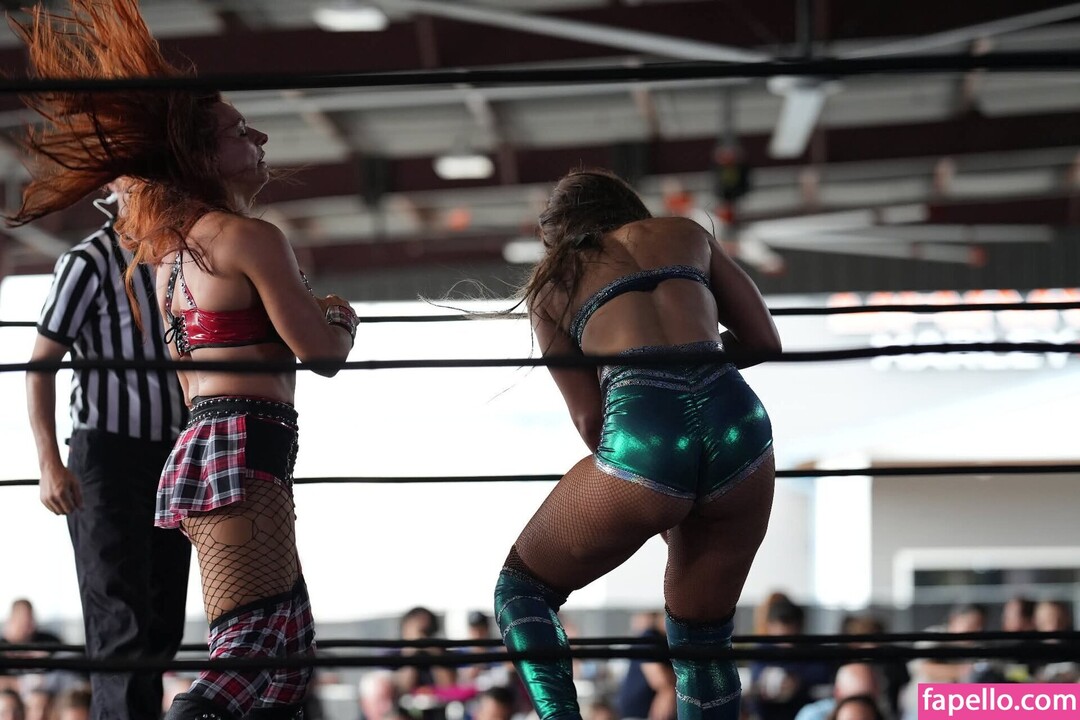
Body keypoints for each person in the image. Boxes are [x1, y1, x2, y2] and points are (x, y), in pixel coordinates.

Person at [6, 2, 360, 719]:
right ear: (200, 155)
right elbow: (320, 354)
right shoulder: (245, 238)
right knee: (246, 655)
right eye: (238, 131)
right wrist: (341, 318)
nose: (259, 138)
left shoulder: (166, 257)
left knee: (286, 652)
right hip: (234, 445)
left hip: (205, 446)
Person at [493, 168, 780, 720]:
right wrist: (690, 365)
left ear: (557, 231)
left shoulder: (554, 280)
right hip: (738, 425)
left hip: (645, 430)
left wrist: (649, 487)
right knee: (703, 641)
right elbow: (764, 339)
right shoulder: (685, 233)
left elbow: (590, 419)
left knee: (521, 591)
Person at [22, 172, 191, 720]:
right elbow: (40, 364)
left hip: (171, 455)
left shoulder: (178, 258)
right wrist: (49, 462)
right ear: (119, 188)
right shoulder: (88, 261)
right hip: (107, 457)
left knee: (162, 622)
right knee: (121, 623)